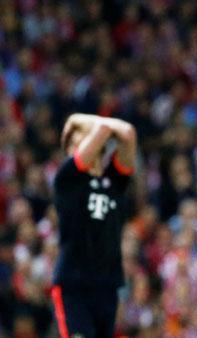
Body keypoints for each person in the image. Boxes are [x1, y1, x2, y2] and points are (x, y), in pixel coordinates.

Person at [51, 113, 136, 338]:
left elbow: (128, 133)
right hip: (74, 285)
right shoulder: (67, 179)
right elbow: (104, 132)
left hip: (106, 284)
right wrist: (75, 120)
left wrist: (78, 120)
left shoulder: (115, 181)